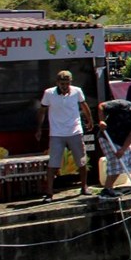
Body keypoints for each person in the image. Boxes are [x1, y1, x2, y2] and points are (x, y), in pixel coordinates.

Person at [37, 70, 94, 201]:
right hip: (56, 133)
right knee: (53, 163)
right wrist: (39, 128)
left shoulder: (77, 91)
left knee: (81, 160)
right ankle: (49, 192)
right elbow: (42, 111)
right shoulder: (49, 93)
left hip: (75, 130)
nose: (64, 86)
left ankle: (84, 186)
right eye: (62, 83)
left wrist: (89, 120)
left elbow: (84, 105)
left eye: (67, 83)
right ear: (57, 83)